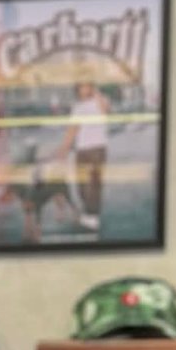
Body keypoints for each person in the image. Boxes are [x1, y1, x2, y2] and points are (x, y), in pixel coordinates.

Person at [55, 76, 110, 233]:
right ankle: (88, 214)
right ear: (77, 89)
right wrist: (64, 149)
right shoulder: (77, 107)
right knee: (82, 185)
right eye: (81, 86)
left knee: (93, 185)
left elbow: (105, 110)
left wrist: (96, 91)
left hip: (97, 149)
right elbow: (73, 129)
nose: (84, 89)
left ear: (92, 87)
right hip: (81, 150)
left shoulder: (101, 100)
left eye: (87, 86)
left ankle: (92, 218)